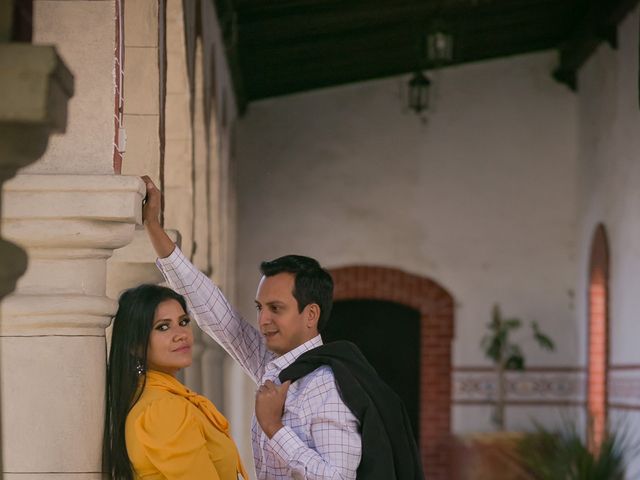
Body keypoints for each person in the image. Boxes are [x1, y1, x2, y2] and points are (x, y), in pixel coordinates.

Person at [142, 176, 423, 479]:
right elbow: (217, 316)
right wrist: (154, 230)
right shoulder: (273, 365)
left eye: (276, 309)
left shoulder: (324, 386)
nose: (264, 320)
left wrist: (275, 429)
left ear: (310, 314)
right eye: (260, 308)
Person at [103, 283, 248, 480]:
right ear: (135, 346)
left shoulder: (153, 399)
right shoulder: (163, 408)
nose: (181, 335)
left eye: (183, 322)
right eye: (163, 327)